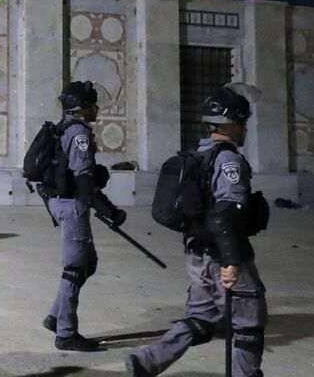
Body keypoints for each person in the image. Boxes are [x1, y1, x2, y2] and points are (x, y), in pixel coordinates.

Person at [127, 85, 267, 377]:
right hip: (221, 256)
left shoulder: (198, 154)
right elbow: (224, 214)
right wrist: (232, 262)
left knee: (202, 317)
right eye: (243, 122)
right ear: (233, 123)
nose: (244, 129)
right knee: (248, 321)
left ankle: (148, 361)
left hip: (196, 255)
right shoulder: (228, 160)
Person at [42, 81, 125, 351]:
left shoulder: (63, 127)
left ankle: (56, 316)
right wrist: (110, 211)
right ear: (82, 107)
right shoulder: (78, 132)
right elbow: (83, 181)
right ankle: (66, 333)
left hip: (60, 201)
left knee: (88, 263)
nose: (97, 108)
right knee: (75, 268)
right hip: (71, 204)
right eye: (93, 103)